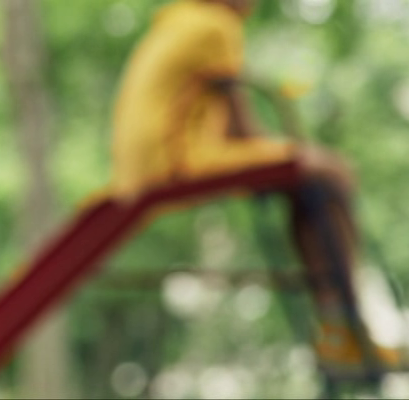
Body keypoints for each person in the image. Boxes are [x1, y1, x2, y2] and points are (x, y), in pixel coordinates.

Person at [108, 0, 400, 378]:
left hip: (142, 167)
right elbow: (242, 128)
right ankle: (342, 326)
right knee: (332, 173)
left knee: (305, 184)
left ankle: (338, 326)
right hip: (175, 159)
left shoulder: (180, 19)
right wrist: (294, 155)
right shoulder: (214, 25)